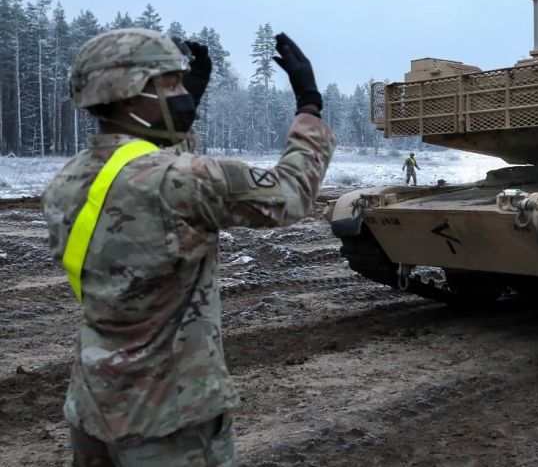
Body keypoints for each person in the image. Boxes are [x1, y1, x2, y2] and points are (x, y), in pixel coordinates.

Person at [41, 28, 334, 466]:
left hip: (93, 407)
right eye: (172, 84)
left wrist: (178, 115)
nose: (182, 95)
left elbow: (145, 167)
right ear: (128, 93)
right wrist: (309, 105)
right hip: (169, 422)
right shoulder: (185, 180)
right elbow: (291, 193)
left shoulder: (66, 182)